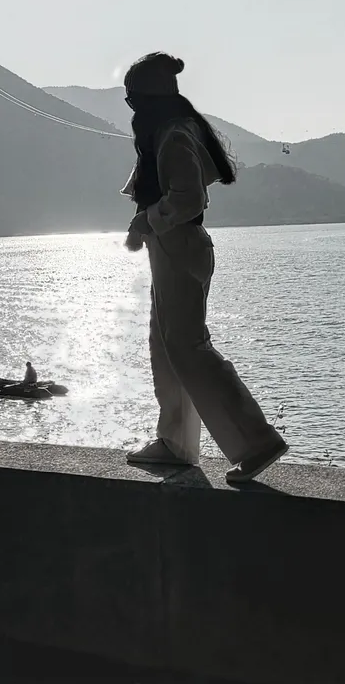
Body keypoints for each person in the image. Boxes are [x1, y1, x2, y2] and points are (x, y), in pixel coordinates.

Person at [121, 52, 288, 485]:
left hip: (180, 246)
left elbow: (190, 199)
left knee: (189, 348)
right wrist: (150, 225)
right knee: (167, 346)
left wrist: (146, 220)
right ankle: (175, 444)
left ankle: (257, 441)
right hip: (173, 247)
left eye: (132, 100)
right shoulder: (176, 130)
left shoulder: (175, 135)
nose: (131, 111)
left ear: (145, 101)